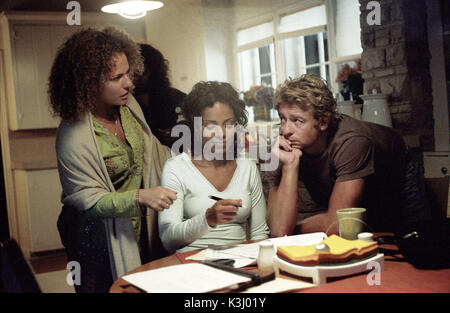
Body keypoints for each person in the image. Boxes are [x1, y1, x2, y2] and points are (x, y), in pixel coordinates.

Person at [48, 27, 177, 293]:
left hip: (135, 227)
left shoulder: (129, 108)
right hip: (94, 242)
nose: (129, 83)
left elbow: (154, 153)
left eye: (128, 73)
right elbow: (90, 202)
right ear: (88, 82)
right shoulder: (73, 134)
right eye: (116, 77)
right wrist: (141, 197)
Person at [266, 74, 430, 237]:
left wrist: (293, 231)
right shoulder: (282, 147)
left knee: (415, 240)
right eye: (283, 119)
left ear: (323, 122)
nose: (285, 130)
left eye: (297, 121)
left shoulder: (351, 142)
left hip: (397, 174)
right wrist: (290, 165)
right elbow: (278, 231)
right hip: (357, 185)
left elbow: (336, 225)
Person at [158, 81, 269, 253]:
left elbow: (259, 233)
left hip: (240, 264)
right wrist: (207, 219)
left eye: (228, 123)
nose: (222, 133)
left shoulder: (247, 168)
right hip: (189, 266)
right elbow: (168, 238)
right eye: (210, 125)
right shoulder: (176, 167)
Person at [133, 43, 186, 147]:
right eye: (134, 72)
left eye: (143, 71)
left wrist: (181, 132)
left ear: (154, 71)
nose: (138, 77)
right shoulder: (125, 104)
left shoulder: (177, 98)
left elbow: (198, 126)